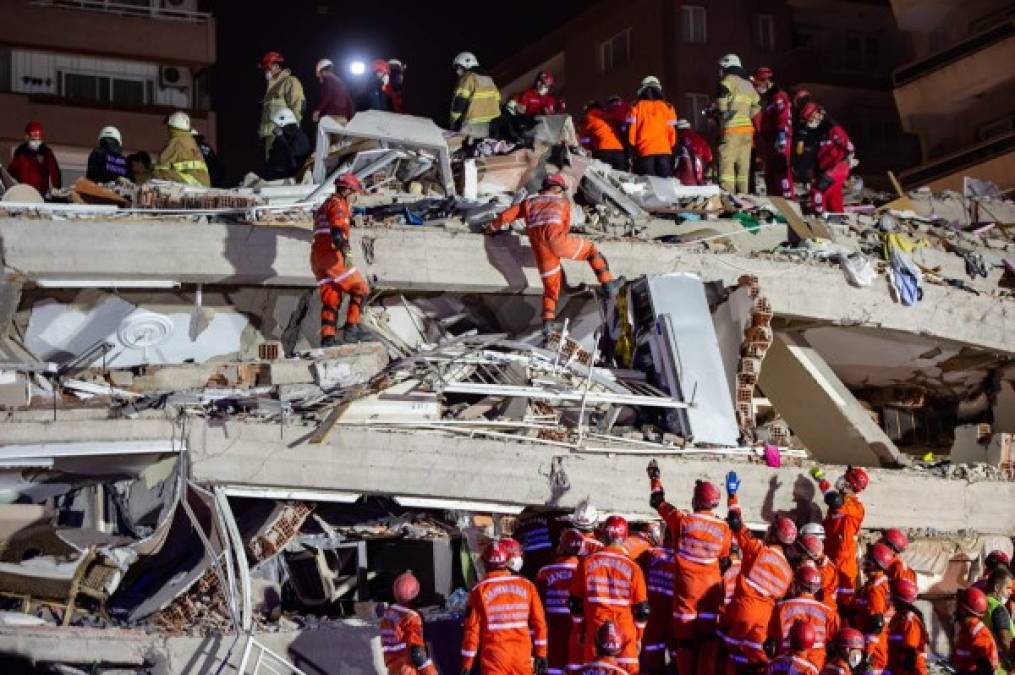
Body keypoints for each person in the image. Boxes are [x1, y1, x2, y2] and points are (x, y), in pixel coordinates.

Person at [485, 174, 624, 341]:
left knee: (551, 289)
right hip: (558, 241)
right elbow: (564, 226)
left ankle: (547, 324)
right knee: (591, 251)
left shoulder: (529, 203)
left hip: (540, 249)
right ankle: (608, 285)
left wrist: (491, 229)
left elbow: (506, 216)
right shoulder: (562, 202)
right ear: (558, 188)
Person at [647, 461, 731, 675]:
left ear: (696, 500)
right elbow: (724, 558)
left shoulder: (681, 520)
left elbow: (657, 501)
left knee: (685, 643)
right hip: (710, 596)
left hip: (686, 595)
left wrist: (655, 477)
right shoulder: (724, 528)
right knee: (707, 643)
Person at [721, 478, 798, 673]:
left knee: (730, 654)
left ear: (773, 534)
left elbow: (737, 523)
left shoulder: (758, 550)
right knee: (756, 662)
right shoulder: (789, 573)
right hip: (765, 621)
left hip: (742, 610)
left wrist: (732, 495)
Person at [569, 515, 649, 673]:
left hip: (595, 631)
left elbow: (575, 604)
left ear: (603, 535)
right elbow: (642, 610)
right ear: (625, 537)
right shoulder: (633, 567)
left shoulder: (587, 563)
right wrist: (638, 637)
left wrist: (579, 629)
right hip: (626, 634)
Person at [461, 540, 548, 675]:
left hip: (494, 661)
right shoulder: (528, 586)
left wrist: (467, 663)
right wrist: (541, 654)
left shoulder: (478, 591)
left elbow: (472, 631)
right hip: (522, 658)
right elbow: (539, 623)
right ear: (507, 561)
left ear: (484, 563)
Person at [311, 173, 370, 346]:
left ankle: (327, 339)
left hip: (316, 257)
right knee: (360, 288)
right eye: (354, 192)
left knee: (331, 298)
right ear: (346, 190)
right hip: (331, 254)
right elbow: (337, 232)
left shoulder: (324, 205)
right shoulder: (339, 204)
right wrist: (346, 252)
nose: (354, 197)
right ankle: (352, 329)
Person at [811, 465, 868, 606]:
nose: (841, 480)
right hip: (829, 556)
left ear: (851, 484)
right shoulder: (837, 507)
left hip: (844, 562)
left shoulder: (855, 506)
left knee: (844, 603)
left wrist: (822, 481)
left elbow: (834, 500)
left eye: (845, 479)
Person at [767, 565, 838, 669]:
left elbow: (772, 636)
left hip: (786, 664)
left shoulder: (780, 608)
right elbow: (834, 642)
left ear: (797, 584)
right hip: (816, 666)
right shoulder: (829, 613)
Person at [536, 529, 583, 675]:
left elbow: (538, 607)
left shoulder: (545, 572)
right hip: (578, 628)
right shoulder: (584, 571)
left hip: (552, 628)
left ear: (560, 547)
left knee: (553, 667)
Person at [715, 53, 760, 194]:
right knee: (743, 166)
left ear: (727, 65)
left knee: (726, 162)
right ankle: (744, 196)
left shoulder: (728, 80)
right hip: (747, 131)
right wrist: (745, 115)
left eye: (722, 67)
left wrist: (722, 114)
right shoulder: (747, 84)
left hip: (732, 130)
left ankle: (727, 195)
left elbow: (722, 95)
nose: (720, 71)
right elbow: (757, 105)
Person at [799, 103, 853, 216]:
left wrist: (848, 159)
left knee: (817, 190)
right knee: (833, 197)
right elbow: (813, 155)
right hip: (826, 168)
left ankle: (819, 216)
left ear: (819, 113)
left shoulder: (832, 127)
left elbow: (847, 146)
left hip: (838, 167)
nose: (811, 121)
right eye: (808, 119)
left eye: (812, 117)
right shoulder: (815, 132)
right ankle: (838, 219)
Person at [380, 571, 438, 675]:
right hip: (409, 670)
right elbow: (417, 653)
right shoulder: (411, 618)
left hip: (393, 669)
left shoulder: (387, 615)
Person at [854, 543, 896, 675]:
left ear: (876, 564)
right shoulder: (880, 583)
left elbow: (876, 624)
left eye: (868, 558)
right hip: (878, 645)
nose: (865, 560)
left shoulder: (875, 589)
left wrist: (867, 653)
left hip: (874, 651)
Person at [752, 67, 794, 200]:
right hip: (770, 139)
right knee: (770, 171)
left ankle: (787, 198)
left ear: (766, 81)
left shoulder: (779, 95)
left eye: (758, 84)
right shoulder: (768, 98)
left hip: (779, 138)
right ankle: (774, 198)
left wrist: (781, 134)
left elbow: (783, 115)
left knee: (781, 170)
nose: (757, 87)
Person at [639, 524, 675, 675]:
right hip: (674, 617)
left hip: (652, 617)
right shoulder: (685, 559)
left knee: (651, 662)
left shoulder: (650, 554)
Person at [626, 75, 677, 178]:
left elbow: (631, 132)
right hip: (664, 152)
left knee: (649, 188)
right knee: (664, 186)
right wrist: (671, 147)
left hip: (645, 152)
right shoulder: (668, 107)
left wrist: (631, 149)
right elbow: (672, 132)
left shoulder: (635, 106)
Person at [259, 51, 306, 160]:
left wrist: (293, 132)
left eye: (267, 68)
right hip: (270, 136)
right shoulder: (270, 90)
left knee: (283, 167)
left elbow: (298, 105)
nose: (266, 71)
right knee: (272, 169)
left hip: (284, 136)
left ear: (276, 66)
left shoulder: (290, 81)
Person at [449, 51, 502, 138]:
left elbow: (459, 103)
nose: (457, 71)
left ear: (465, 66)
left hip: (472, 128)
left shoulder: (468, 78)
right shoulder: (489, 79)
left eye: (459, 67)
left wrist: (454, 122)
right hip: (492, 128)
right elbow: (498, 101)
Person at [154, 111, 210, 186]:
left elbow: (161, 165)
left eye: (168, 127)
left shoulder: (177, 141)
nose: (168, 130)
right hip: (203, 183)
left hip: (193, 182)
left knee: (159, 172)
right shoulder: (191, 141)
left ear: (173, 128)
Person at [952, 587, 1000, 675]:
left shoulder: (980, 636)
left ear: (963, 610)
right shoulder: (966, 631)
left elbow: (985, 671)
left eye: (957, 605)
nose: (954, 609)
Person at [886, 579, 928, 675]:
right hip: (897, 666)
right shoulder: (899, 616)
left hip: (911, 670)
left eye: (893, 596)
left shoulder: (910, 620)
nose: (890, 599)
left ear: (900, 600)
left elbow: (910, 653)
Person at [8, 121, 61, 196]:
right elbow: (11, 173)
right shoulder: (20, 152)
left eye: (38, 140)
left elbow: (55, 173)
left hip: (39, 195)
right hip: (22, 194)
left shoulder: (46, 153)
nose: (36, 142)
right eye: (33, 140)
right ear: (26, 137)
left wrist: (56, 188)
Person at [264, 108, 311, 180]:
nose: (275, 127)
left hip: (288, 178)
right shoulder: (284, 135)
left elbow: (290, 155)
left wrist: (281, 137)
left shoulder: (300, 138)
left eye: (277, 125)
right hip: (275, 174)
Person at [798, 533, 838, 612]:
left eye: (803, 552)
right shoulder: (825, 565)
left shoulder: (826, 570)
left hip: (822, 609)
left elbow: (814, 590)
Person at [580, 100, 626, 171]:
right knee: (621, 178)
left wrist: (589, 148)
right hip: (619, 150)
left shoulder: (589, 116)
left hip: (603, 150)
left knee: (604, 178)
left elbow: (584, 139)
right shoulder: (608, 115)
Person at [986, 568, 1014, 671]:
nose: (1010, 592)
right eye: (1008, 588)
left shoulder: (984, 602)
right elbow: (1006, 641)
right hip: (1000, 667)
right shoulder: (998, 608)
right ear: (997, 588)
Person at [312, 59, 356, 123]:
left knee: (322, 131)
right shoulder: (339, 81)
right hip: (343, 116)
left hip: (333, 115)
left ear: (321, 71)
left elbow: (327, 96)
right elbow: (348, 99)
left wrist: (318, 110)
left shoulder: (328, 80)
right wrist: (351, 115)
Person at [791, 90, 818, 192]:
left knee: (805, 162)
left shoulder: (811, 109)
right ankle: (805, 182)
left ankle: (808, 183)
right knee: (800, 159)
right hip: (804, 140)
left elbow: (807, 125)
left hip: (809, 141)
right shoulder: (804, 110)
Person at [675, 119, 713, 186]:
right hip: (702, 161)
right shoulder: (696, 136)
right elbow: (708, 155)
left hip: (689, 175)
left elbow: (692, 157)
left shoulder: (684, 137)